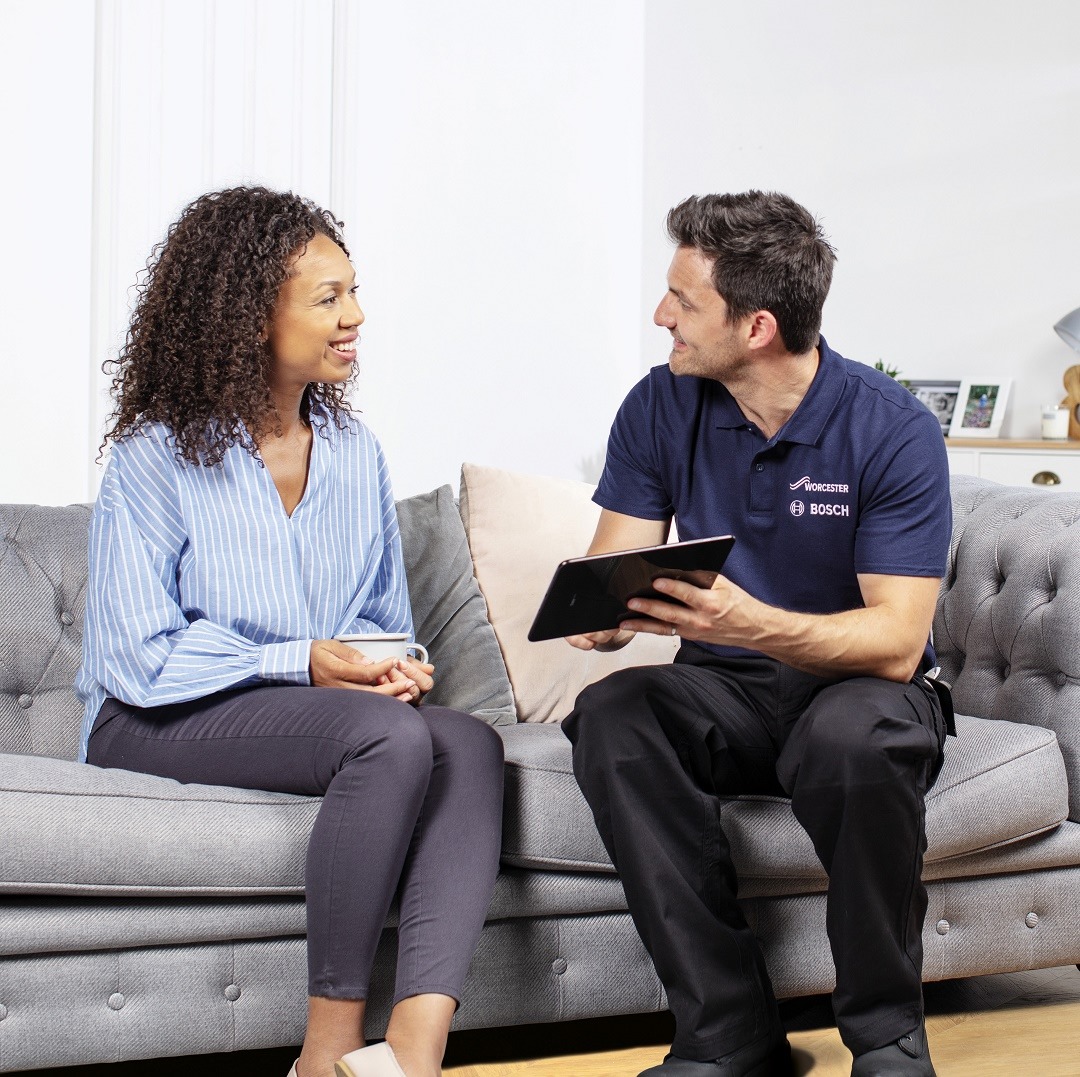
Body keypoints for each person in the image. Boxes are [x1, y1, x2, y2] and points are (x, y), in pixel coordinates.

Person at [76, 186, 504, 1077]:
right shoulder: (156, 456)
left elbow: (384, 621)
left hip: (317, 716)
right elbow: (134, 656)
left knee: (464, 742)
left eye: (353, 291)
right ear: (248, 315)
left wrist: (394, 668)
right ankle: (325, 1052)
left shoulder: (356, 454)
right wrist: (299, 662)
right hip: (152, 718)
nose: (355, 316)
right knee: (388, 740)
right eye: (328, 298)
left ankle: (412, 1057)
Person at [562, 191, 950, 1077]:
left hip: (861, 690)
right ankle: (729, 1036)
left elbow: (895, 643)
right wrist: (608, 615)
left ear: (759, 325)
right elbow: (617, 559)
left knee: (857, 736)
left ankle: (888, 1037)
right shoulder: (661, 404)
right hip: (725, 691)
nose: (662, 315)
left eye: (683, 301)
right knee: (617, 714)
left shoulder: (891, 430)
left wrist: (752, 620)